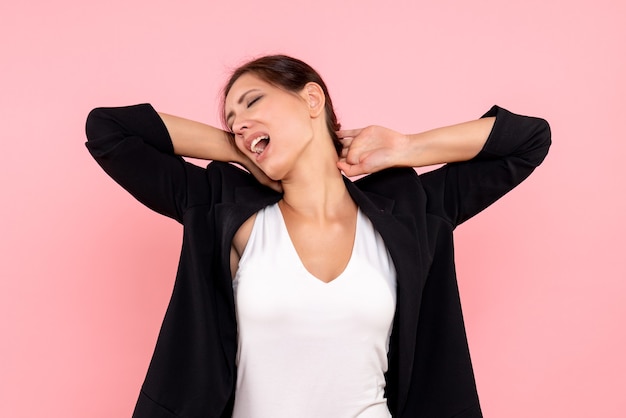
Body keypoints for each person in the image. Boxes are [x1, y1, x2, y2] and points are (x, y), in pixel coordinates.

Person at [85, 54, 550, 418]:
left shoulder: (411, 208)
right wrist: (240, 150)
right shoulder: (219, 205)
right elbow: (109, 130)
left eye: (252, 102)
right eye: (231, 120)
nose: (239, 122)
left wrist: (407, 146)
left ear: (312, 99)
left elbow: (528, 142)